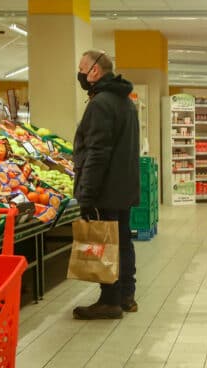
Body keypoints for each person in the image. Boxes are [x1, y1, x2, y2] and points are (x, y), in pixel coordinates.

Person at [72, 50, 140, 320]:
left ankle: (109, 300)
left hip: (106, 189)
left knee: (106, 243)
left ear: (95, 72)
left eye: (82, 69)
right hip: (123, 187)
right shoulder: (126, 102)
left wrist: (87, 194)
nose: (79, 74)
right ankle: (126, 296)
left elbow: (97, 153)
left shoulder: (101, 104)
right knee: (122, 242)